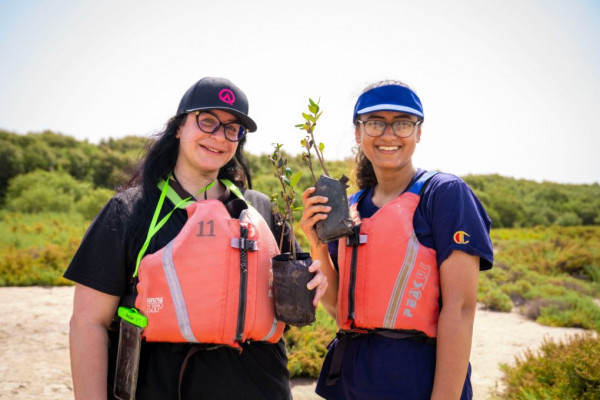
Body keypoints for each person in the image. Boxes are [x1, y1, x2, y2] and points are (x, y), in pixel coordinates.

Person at [65, 76, 327, 400]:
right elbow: (88, 323)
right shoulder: (128, 212)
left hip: (260, 384)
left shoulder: (260, 210)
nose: (219, 136)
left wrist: (316, 279)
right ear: (178, 127)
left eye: (232, 129)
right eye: (207, 121)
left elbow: (299, 294)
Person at [300, 80, 493, 400]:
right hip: (350, 378)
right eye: (375, 123)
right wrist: (316, 242)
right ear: (358, 133)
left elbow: (460, 309)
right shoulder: (350, 207)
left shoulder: (444, 194)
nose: (388, 134)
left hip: (415, 376)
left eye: (402, 124)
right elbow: (338, 308)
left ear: (418, 133)